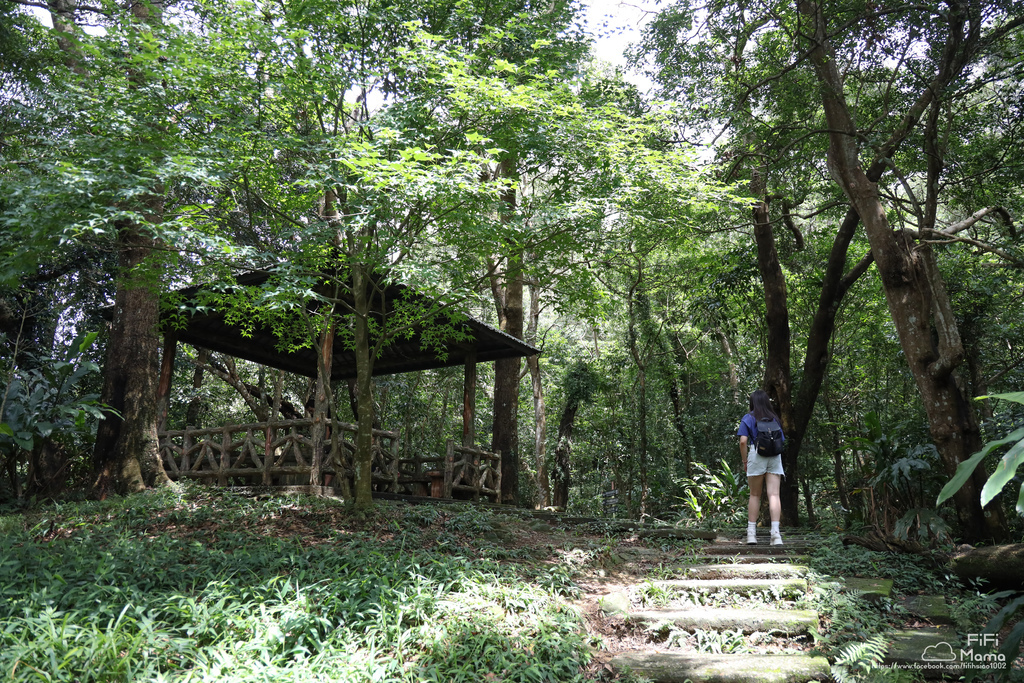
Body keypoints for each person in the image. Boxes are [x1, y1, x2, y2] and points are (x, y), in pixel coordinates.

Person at [737, 389, 785, 545]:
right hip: (774, 456)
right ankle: (776, 535)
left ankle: (751, 534)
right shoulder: (774, 419)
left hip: (757, 454)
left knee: (755, 495)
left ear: (752, 402)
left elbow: (743, 441)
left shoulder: (749, 418)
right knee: (774, 495)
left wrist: (745, 461)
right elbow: (781, 440)